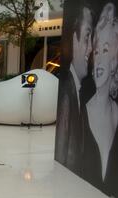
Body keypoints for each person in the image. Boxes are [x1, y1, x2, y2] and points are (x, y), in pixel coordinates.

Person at [83, 2, 118, 198]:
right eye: (96, 52)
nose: (99, 60)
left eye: (105, 50)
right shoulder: (84, 112)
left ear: (115, 60)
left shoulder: (115, 113)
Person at [55, 1, 93, 176]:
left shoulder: (75, 90)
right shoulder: (66, 94)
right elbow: (62, 153)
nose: (91, 49)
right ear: (73, 39)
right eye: (87, 38)